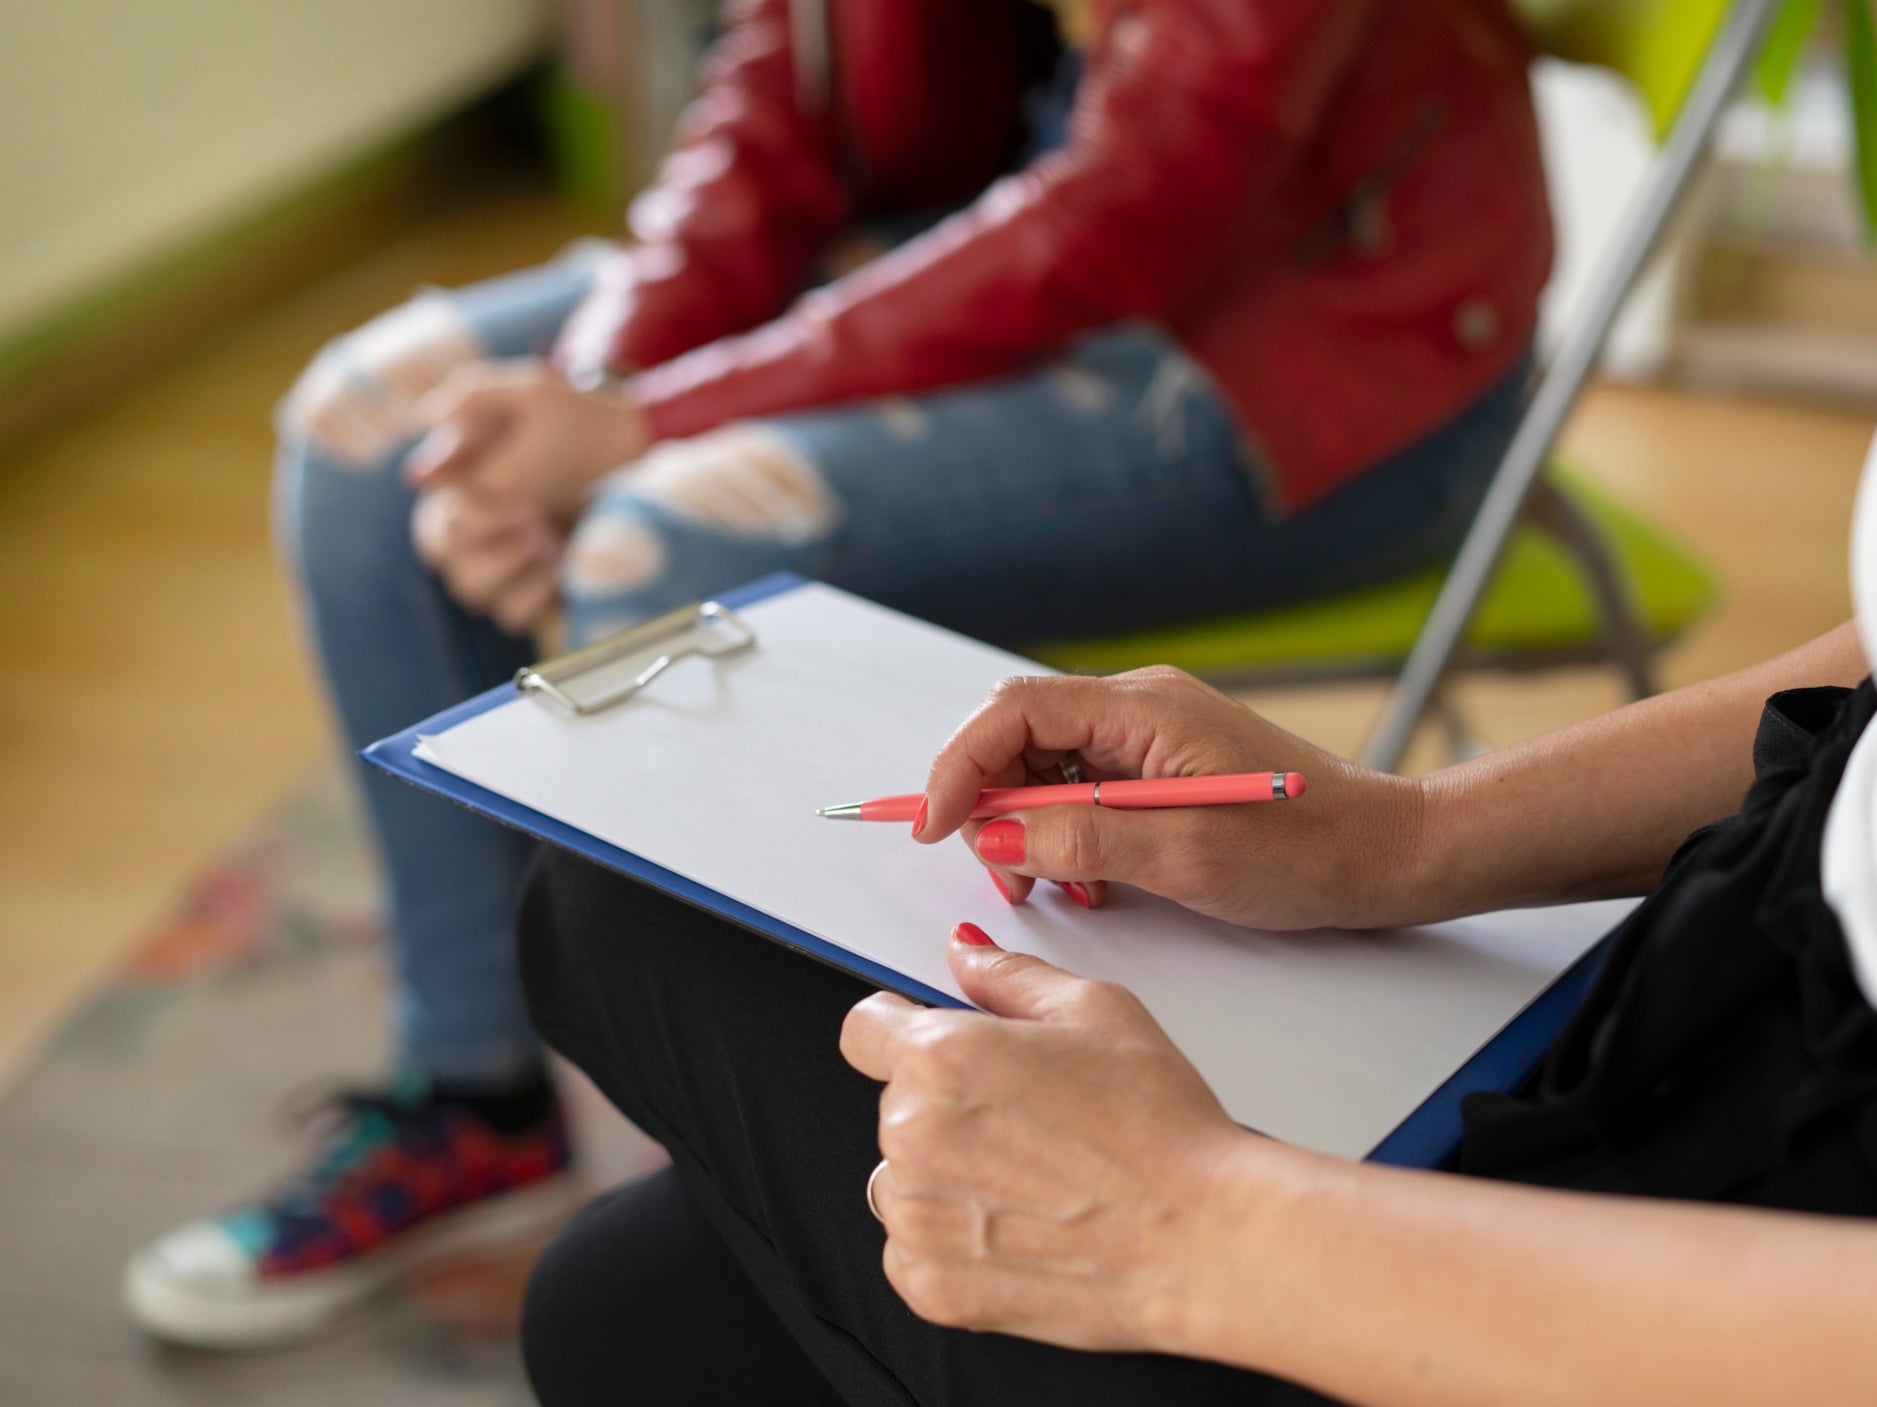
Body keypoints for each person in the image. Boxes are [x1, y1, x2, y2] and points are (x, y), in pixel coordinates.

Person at [125, 0, 1552, 1346]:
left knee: (657, 544)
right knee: (369, 435)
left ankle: (774, 1202)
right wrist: (594, 394)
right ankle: (474, 1098)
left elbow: (1132, 210)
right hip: (942, 243)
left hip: (1296, 322)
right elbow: (778, 103)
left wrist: (638, 438)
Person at [512, 444, 1877, 1405]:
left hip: (1704, 1310)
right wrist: (1410, 835)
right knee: (626, 1311)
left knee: (611, 912)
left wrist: (1206, 1227)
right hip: (1700, 1003)